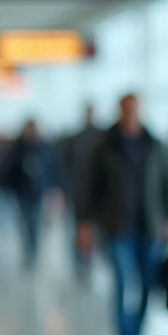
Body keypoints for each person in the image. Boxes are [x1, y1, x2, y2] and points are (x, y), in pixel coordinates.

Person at [80, 94, 168, 335]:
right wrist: (85, 222)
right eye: (127, 108)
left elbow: (166, 182)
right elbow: (89, 187)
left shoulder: (154, 144)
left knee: (147, 287)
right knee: (123, 285)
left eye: (136, 108)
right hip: (117, 227)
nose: (132, 113)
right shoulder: (105, 146)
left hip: (149, 227)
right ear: (120, 110)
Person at [58, 104, 105, 277]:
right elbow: (64, 166)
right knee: (78, 228)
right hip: (77, 191)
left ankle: (88, 260)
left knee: (93, 230)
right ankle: (80, 262)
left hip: (96, 195)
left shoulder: (103, 137)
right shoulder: (76, 139)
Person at [6, 119, 58, 269]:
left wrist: (53, 189)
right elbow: (10, 171)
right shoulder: (18, 149)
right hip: (22, 193)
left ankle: (34, 251)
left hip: (38, 193)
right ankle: (27, 250)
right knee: (25, 223)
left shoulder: (45, 148)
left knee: (35, 222)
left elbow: (52, 169)